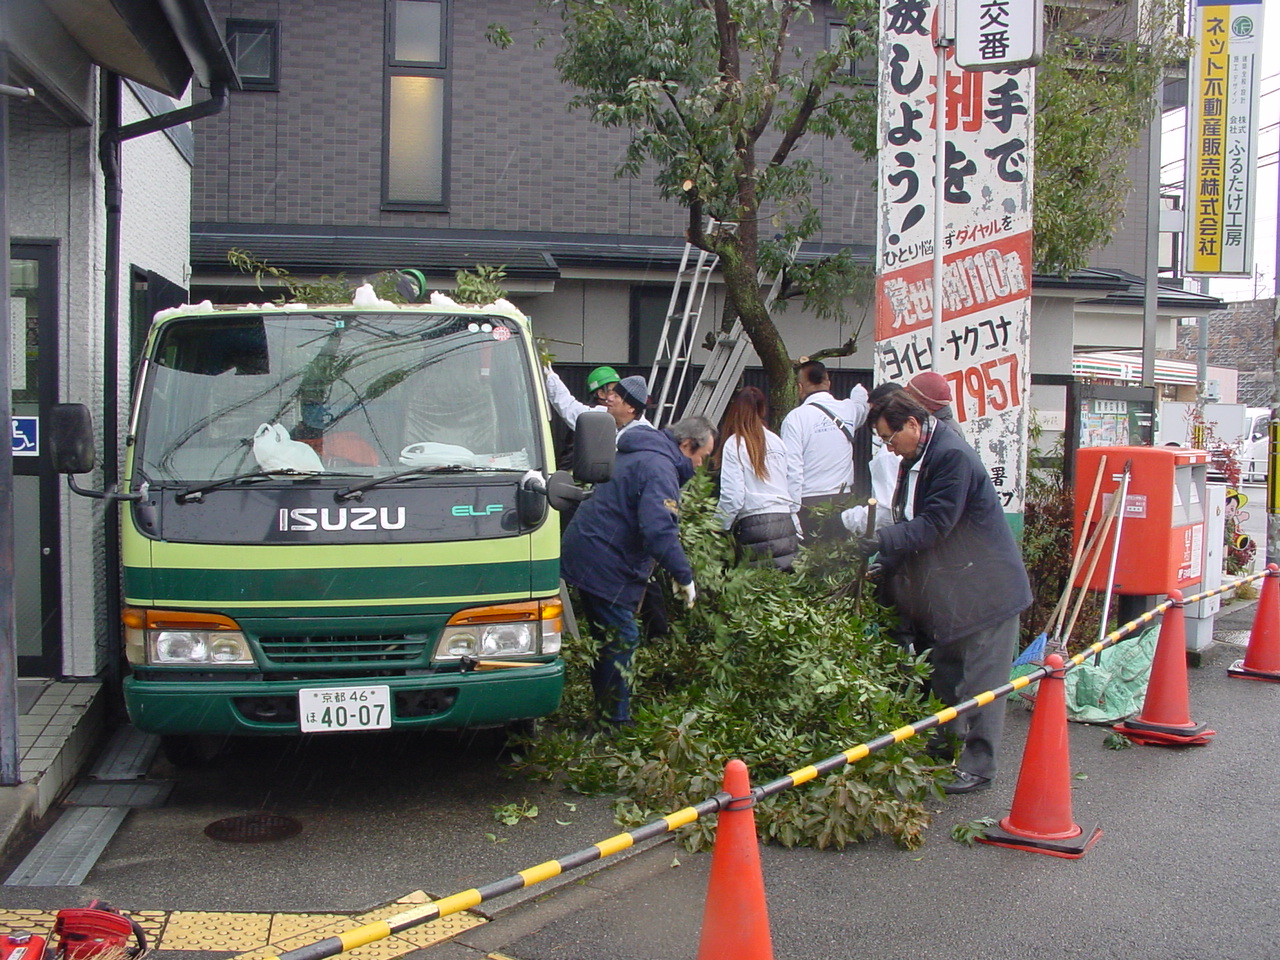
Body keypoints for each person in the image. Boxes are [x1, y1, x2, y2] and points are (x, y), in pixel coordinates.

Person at [857, 391, 1031, 794]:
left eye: (889, 438)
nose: (889, 448)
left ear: (913, 425)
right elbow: (912, 521)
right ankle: (940, 752)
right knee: (946, 676)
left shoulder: (951, 456)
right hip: (954, 591)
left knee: (983, 686)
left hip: (989, 590)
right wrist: (888, 563)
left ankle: (978, 767)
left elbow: (935, 524)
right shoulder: (917, 458)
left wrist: (882, 540)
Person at [560, 416, 717, 725]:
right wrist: (683, 575)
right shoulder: (660, 468)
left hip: (592, 551)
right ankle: (614, 723)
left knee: (608, 639)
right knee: (622, 638)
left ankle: (606, 712)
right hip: (605, 560)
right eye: (703, 456)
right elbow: (658, 530)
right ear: (687, 445)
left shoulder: (642, 452)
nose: (700, 464)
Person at [780, 360, 869, 538]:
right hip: (843, 501)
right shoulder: (848, 410)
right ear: (828, 382)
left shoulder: (795, 418)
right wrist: (859, 389)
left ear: (799, 387)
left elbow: (792, 469)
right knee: (841, 558)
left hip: (808, 503)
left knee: (809, 559)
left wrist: (792, 511)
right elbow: (862, 405)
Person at [715, 386, 800, 570]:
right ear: (762, 410)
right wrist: (793, 515)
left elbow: (733, 497)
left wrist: (717, 526)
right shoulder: (777, 441)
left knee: (755, 588)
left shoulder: (735, 444)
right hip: (785, 521)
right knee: (784, 589)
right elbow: (794, 481)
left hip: (754, 525)